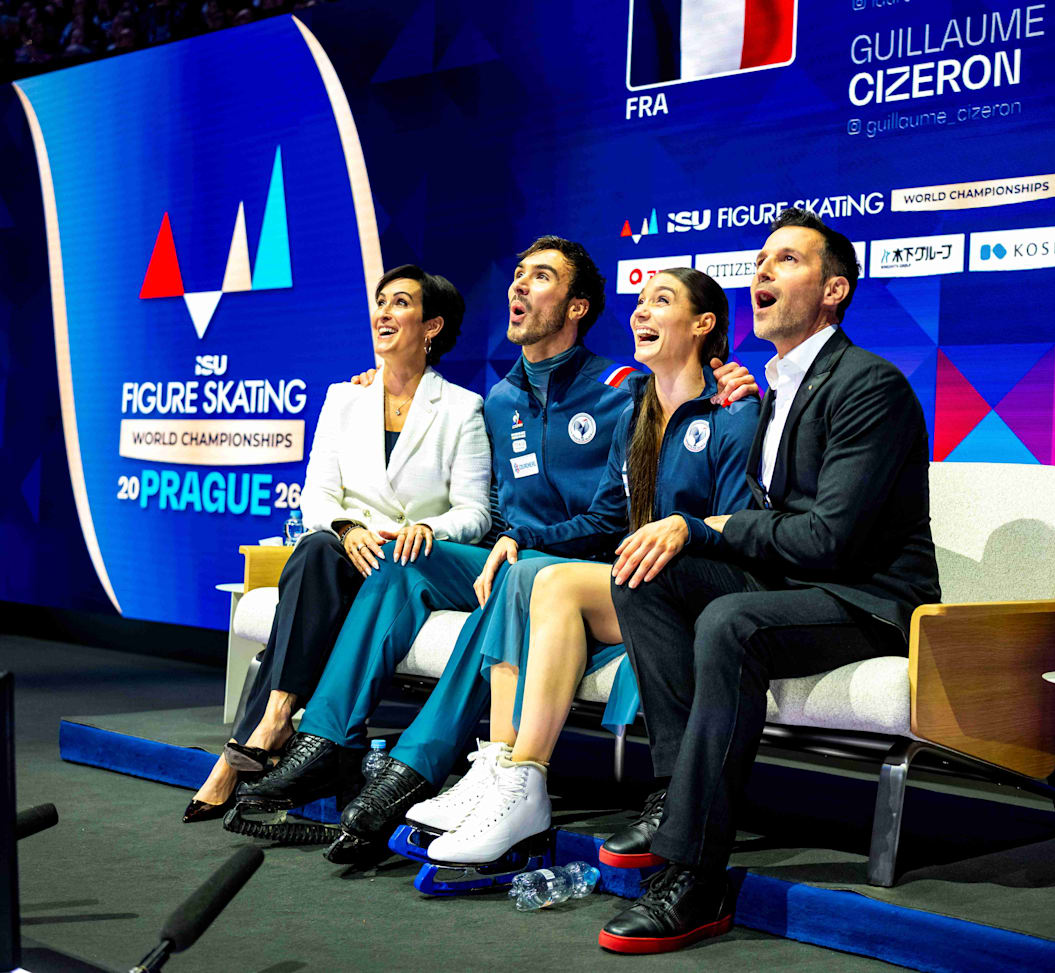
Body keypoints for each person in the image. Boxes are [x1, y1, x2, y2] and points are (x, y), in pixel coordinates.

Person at [234, 239, 757, 860]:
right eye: (516, 274)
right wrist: (379, 393)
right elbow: (492, 510)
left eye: (539, 278)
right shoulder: (498, 399)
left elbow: (618, 515)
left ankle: (419, 769)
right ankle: (325, 740)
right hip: (511, 553)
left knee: (516, 575)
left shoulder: (623, 391)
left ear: (578, 307)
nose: (517, 287)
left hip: (580, 562)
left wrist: (730, 379)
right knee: (408, 558)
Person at [596, 209, 941, 954]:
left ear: (834, 291)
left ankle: (695, 874)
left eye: (785, 260)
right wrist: (693, 536)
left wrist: (708, 526)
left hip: (875, 599)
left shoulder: (868, 385)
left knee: (732, 621)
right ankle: (672, 796)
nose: (761, 272)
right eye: (759, 259)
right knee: (643, 572)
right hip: (801, 583)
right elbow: (774, 520)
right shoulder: (775, 390)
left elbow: (829, 537)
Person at [397, 268, 758, 877]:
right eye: (640, 301)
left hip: (703, 589)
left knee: (555, 580)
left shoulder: (734, 410)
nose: (641, 312)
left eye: (661, 302)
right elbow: (613, 518)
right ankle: (504, 768)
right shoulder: (637, 414)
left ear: (704, 326)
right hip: (640, 583)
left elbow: (740, 532)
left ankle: (524, 781)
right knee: (526, 570)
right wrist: (521, 537)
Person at [184, 265, 489, 822]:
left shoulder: (463, 408)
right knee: (317, 548)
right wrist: (347, 528)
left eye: (400, 303)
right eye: (379, 302)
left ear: (432, 326)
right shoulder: (342, 398)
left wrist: (432, 529)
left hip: (411, 562)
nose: (383, 313)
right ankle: (275, 722)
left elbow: (475, 512)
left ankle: (246, 752)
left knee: (306, 581)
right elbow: (317, 495)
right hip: (345, 555)